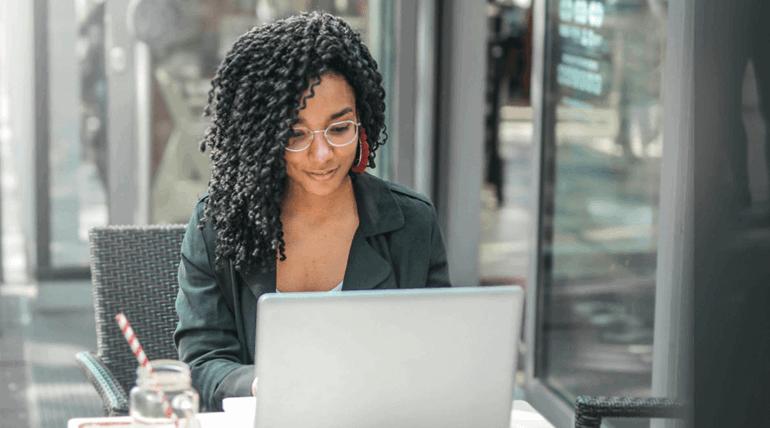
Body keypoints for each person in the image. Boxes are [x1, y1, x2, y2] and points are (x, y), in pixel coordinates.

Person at [173, 11, 452, 412]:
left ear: (363, 123)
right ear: (263, 138)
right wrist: (260, 383)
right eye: (295, 134)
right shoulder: (217, 226)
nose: (321, 156)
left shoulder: (412, 224)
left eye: (339, 129)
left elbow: (439, 359)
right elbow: (201, 365)